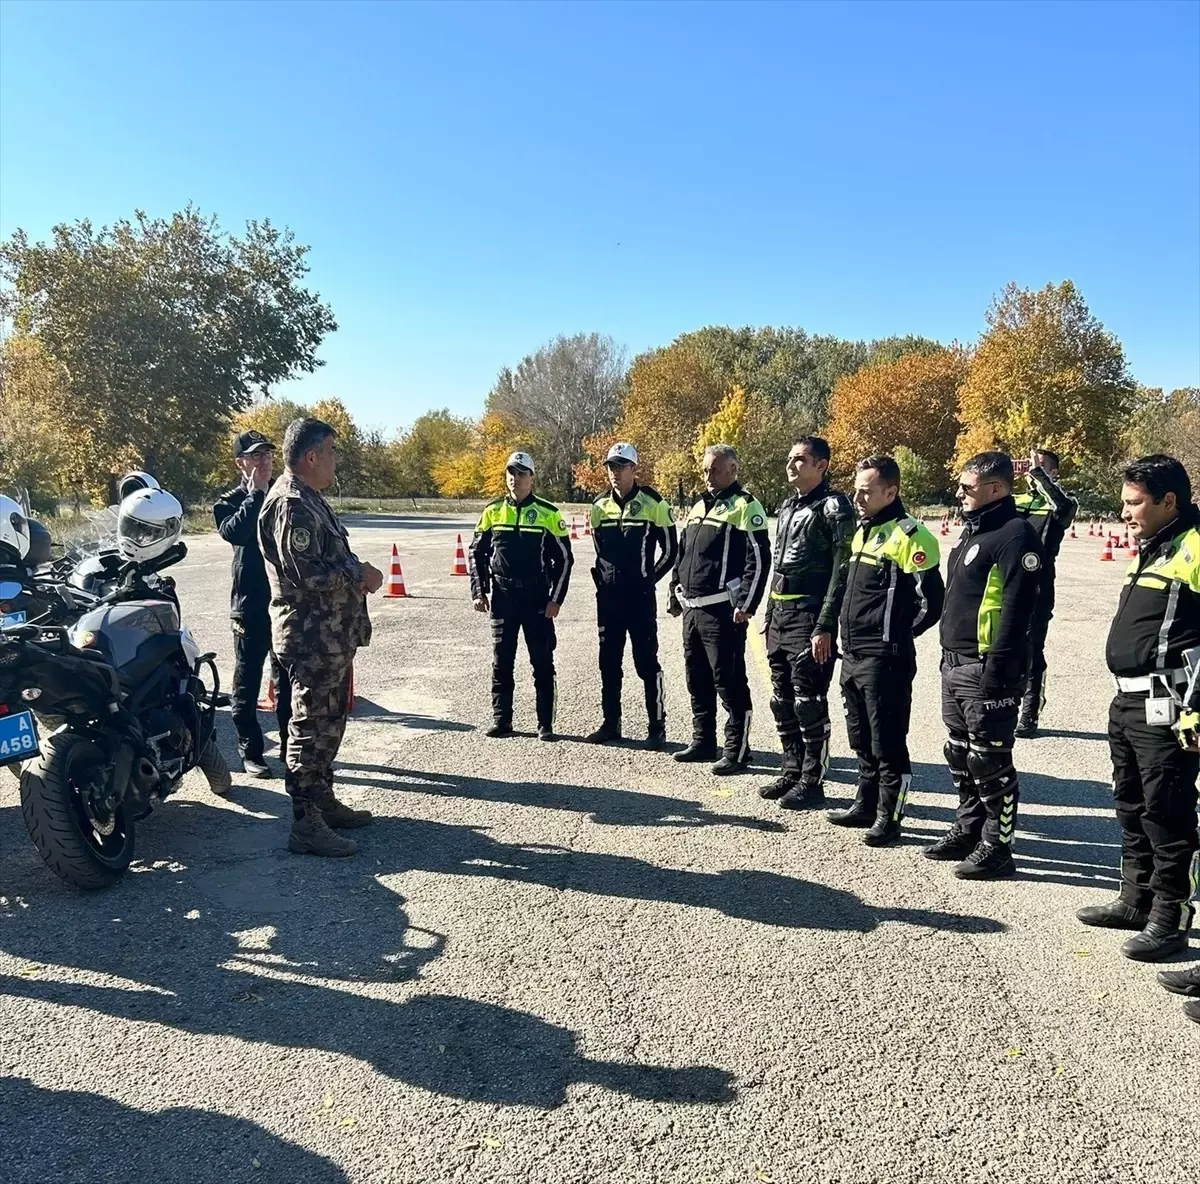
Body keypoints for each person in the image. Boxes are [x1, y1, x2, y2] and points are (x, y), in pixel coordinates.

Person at [1076, 455, 1199, 961]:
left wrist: (1196, 706)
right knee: (1130, 805)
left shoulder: (1194, 547)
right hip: (1127, 700)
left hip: (1169, 705)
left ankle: (1171, 920)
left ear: (1169, 500)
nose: (1124, 513)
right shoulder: (1152, 546)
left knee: (1166, 813)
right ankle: (1136, 899)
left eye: (1134, 503)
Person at [258, 418, 384, 857]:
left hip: (330, 635)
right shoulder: (292, 505)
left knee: (328, 723)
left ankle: (323, 801)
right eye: (331, 451)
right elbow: (306, 574)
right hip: (311, 637)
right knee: (309, 727)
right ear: (311, 456)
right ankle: (304, 822)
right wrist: (360, 573)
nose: (335, 460)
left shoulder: (311, 500)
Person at [925, 451, 1043, 880]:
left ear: (995, 489)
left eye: (967, 487)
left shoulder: (1016, 535)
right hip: (954, 664)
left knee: (989, 759)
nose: (958, 493)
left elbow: (1016, 611)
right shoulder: (972, 533)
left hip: (986, 668)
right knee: (958, 752)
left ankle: (998, 846)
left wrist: (1000, 673)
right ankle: (969, 827)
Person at [828, 455, 944, 844]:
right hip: (853, 654)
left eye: (866, 491)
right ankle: (865, 803)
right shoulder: (864, 530)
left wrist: (893, 636)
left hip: (885, 658)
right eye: (856, 490)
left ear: (890, 491)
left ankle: (889, 817)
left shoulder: (911, 536)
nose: (858, 498)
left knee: (888, 742)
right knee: (860, 737)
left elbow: (932, 602)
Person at [759, 437, 853, 808]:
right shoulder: (785, 507)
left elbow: (841, 568)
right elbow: (778, 566)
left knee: (808, 700)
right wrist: (768, 612)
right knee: (781, 699)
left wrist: (825, 623)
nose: (791, 464)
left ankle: (813, 781)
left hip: (810, 612)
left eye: (800, 459)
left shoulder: (833, 506)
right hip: (781, 612)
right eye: (790, 457)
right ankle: (791, 770)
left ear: (822, 466)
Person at [668, 444, 771, 775]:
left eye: (714, 469)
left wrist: (747, 603)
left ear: (732, 470)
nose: (707, 476)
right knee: (696, 677)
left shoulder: (744, 506)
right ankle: (703, 741)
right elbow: (684, 553)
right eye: (704, 470)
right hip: (693, 609)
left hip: (722, 611)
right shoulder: (699, 506)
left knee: (727, 679)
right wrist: (674, 589)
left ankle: (737, 749)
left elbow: (759, 558)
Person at [468, 451, 573, 741]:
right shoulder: (492, 511)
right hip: (503, 597)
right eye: (511, 473)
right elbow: (476, 552)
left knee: (542, 661)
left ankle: (545, 725)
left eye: (522, 473)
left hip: (537, 598)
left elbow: (564, 559)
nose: (515, 479)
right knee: (502, 661)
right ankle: (502, 720)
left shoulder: (548, 513)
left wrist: (556, 599)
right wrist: (480, 590)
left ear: (532, 478)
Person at [585, 442, 678, 747]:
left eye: (621, 466)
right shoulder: (598, 506)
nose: (615, 472)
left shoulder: (654, 503)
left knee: (645, 662)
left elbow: (671, 549)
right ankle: (611, 723)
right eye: (610, 466)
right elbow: (601, 552)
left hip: (639, 598)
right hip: (608, 598)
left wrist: (648, 579)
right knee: (608, 663)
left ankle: (656, 726)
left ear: (634, 469)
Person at [213, 430, 291, 777]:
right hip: (249, 602)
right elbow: (235, 532)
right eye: (255, 456)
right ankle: (251, 752)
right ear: (240, 462)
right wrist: (255, 493)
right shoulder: (229, 500)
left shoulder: (285, 494)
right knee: (247, 680)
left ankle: (292, 749)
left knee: (288, 680)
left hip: (283, 602)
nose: (263, 462)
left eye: (267, 456)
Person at [1013, 448, 1077, 736]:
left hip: (1038, 584)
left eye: (1037, 466)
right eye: (1029, 465)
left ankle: (1029, 713)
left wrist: (1039, 475)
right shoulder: (1016, 501)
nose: (1030, 470)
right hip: (1007, 582)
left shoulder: (1061, 503)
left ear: (1053, 473)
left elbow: (1063, 507)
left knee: (1030, 647)